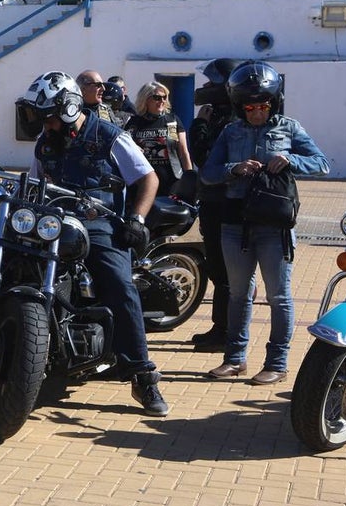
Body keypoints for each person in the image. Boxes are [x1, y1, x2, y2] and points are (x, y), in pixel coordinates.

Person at [14, 71, 169, 416]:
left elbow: (148, 178)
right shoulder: (45, 141)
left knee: (119, 285)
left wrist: (137, 219)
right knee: (13, 266)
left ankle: (142, 373)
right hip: (52, 222)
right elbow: (33, 185)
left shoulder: (109, 136)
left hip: (98, 224)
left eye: (50, 117)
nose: (46, 125)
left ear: (68, 109)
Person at [202, 61, 329, 386]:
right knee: (238, 294)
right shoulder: (231, 131)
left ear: (273, 102)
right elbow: (208, 172)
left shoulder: (289, 127)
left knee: (279, 296)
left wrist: (292, 159)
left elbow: (322, 164)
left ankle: (277, 362)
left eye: (262, 105)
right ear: (239, 105)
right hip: (235, 224)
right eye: (250, 106)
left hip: (275, 226)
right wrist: (235, 168)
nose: (257, 112)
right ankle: (234, 359)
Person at [187, 58, 242, 349]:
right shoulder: (226, 115)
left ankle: (226, 332)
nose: (206, 87)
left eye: (211, 82)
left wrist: (199, 124)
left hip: (223, 203)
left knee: (224, 272)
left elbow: (203, 158)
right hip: (214, 202)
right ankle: (221, 328)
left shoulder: (227, 121)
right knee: (219, 270)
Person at [123, 82, 193, 196]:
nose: (162, 101)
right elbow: (126, 151)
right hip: (144, 181)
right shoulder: (134, 123)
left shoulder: (172, 120)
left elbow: (183, 151)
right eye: (157, 97)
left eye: (164, 97)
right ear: (145, 99)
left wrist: (190, 177)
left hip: (172, 181)